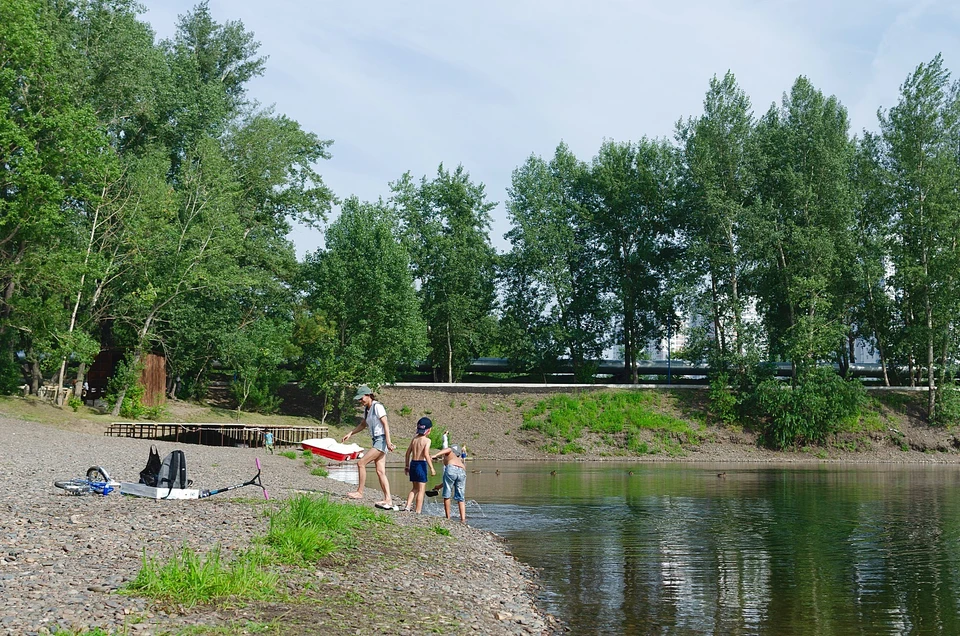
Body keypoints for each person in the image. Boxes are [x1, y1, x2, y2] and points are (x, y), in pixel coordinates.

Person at [342, 385, 397, 509]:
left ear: (368, 395)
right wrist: (350, 433)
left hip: (381, 440)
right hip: (376, 440)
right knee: (380, 471)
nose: (360, 401)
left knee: (361, 463)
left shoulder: (377, 407)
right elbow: (363, 425)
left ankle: (360, 492)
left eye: (361, 398)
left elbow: (385, 425)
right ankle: (388, 500)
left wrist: (388, 442)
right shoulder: (367, 409)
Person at [402, 417, 436, 513]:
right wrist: (432, 468)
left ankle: (407, 506)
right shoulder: (427, 441)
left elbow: (407, 453)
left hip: (413, 464)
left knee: (414, 488)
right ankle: (418, 510)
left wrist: (407, 466)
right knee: (421, 490)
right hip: (421, 464)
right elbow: (425, 454)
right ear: (429, 430)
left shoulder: (414, 439)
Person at [432, 443, 467, 523]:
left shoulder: (450, 452)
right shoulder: (458, 459)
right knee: (461, 497)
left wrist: (435, 455)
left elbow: (448, 449)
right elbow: (448, 481)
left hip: (451, 468)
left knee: (447, 495)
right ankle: (463, 519)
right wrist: (439, 486)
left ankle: (448, 518)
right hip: (462, 471)